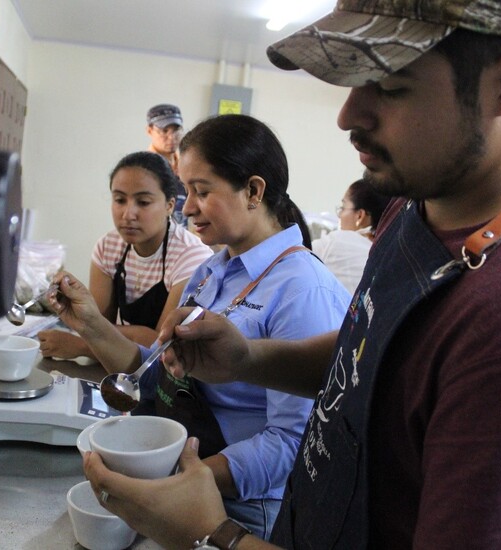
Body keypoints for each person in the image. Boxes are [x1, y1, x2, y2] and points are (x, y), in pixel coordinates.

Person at [82, 1, 501, 549]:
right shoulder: (416, 209)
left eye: (391, 85)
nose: (348, 115)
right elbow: (370, 356)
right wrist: (248, 359)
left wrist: (213, 533)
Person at [48, 114, 351, 538]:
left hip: (239, 507)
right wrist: (90, 324)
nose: (187, 207)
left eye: (201, 191)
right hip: (185, 472)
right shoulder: (212, 271)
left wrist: (179, 480)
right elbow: (155, 375)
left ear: (253, 191)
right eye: (186, 191)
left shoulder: (302, 290)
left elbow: (294, 442)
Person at [37, 151, 212, 358]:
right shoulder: (108, 247)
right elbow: (96, 325)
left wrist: (81, 345)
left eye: (143, 202)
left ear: (169, 206)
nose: (128, 215)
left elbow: (161, 344)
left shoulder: (191, 257)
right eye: (120, 200)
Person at [311, 178, 391, 294]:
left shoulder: (338, 241)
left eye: (343, 208)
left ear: (360, 216)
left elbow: (295, 254)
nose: (340, 215)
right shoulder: (389, 254)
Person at [147, 103, 188, 226]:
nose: (171, 137)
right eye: (164, 131)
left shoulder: (185, 165)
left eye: (176, 130)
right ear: (149, 130)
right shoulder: (144, 168)